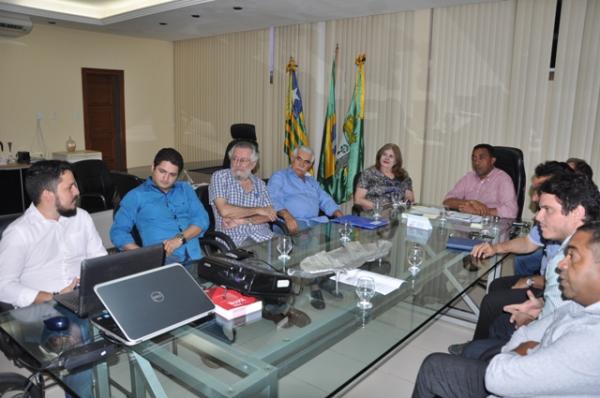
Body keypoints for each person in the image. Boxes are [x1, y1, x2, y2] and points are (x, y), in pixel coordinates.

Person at [412, 222, 600, 398]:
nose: (561, 264)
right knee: (474, 349)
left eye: (572, 256)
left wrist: (519, 352)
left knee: (434, 367)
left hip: (517, 382)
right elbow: (528, 334)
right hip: (529, 365)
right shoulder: (579, 304)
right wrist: (523, 348)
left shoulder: (589, 342)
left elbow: (497, 378)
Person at [450, 173, 600, 358]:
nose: (537, 216)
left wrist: (529, 321)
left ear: (577, 212)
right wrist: (541, 306)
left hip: (557, 350)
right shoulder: (589, 238)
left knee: (465, 353)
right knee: (499, 317)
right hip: (560, 327)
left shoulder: (566, 261)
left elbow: (550, 339)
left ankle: (479, 355)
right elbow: (567, 309)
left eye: (547, 209)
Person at [0, 160, 107, 308]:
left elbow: (100, 261)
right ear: (47, 195)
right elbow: (3, 286)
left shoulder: (81, 218)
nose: (77, 192)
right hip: (40, 311)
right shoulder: (19, 233)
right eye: (70, 187)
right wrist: (54, 298)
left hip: (84, 300)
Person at [110, 148, 210, 266]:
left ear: (178, 175)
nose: (166, 178)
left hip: (195, 255)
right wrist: (143, 255)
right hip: (164, 261)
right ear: (153, 167)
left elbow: (202, 220)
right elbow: (118, 232)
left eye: (172, 175)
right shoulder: (136, 196)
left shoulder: (185, 189)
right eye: (162, 171)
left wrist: (179, 239)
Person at [209, 141, 277, 247]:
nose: (237, 164)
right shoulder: (220, 177)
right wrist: (258, 210)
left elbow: (270, 215)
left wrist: (244, 220)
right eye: (234, 159)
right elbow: (224, 210)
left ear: (253, 164)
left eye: (243, 160)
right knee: (261, 260)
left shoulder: (260, 184)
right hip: (235, 240)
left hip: (265, 236)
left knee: (290, 249)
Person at [267, 146, 343, 234]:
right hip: (292, 223)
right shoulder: (280, 176)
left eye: (306, 162)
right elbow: (272, 199)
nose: (301, 164)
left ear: (310, 166)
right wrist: (287, 216)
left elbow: (325, 199)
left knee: (340, 234)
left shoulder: (312, 181)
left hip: (315, 223)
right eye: (299, 159)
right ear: (292, 159)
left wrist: (338, 213)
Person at [443, 143, 517, 218]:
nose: (477, 163)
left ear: (492, 160)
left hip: (491, 226)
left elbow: (511, 211)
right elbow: (447, 201)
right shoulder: (468, 178)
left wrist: (482, 211)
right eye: (474, 159)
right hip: (467, 225)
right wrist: (471, 203)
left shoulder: (503, 179)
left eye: (481, 158)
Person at [354, 143, 414, 210]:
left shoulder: (403, 176)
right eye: (384, 154)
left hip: (398, 213)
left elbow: (409, 198)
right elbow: (358, 199)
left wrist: (405, 204)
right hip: (375, 213)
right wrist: (378, 207)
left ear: (396, 161)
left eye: (391, 156)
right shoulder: (368, 174)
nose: (387, 158)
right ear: (379, 156)